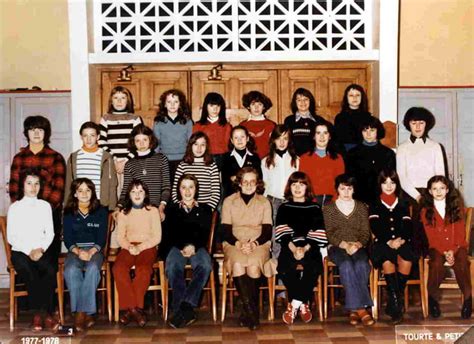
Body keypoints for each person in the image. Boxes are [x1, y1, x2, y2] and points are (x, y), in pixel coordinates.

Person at [221, 167, 273, 330]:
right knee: (237, 264)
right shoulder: (229, 201)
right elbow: (225, 231)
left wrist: (254, 244)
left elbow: (267, 231)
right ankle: (253, 313)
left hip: (258, 242)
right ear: (239, 183)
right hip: (233, 242)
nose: (249, 185)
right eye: (245, 181)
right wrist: (238, 244)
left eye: (253, 182)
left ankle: (247, 311)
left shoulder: (264, 202)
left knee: (253, 265)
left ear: (257, 184)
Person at [7, 168, 58, 332]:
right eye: (29, 183)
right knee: (29, 269)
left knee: (49, 268)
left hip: (41, 249)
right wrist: (30, 250)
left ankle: (42, 314)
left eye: (36, 184)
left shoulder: (45, 206)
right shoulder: (15, 208)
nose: (33, 187)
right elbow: (12, 237)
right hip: (21, 251)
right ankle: (42, 313)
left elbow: (50, 232)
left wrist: (41, 249)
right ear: (22, 185)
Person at [9, 115, 66, 261]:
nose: (36, 133)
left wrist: (43, 210)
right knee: (24, 260)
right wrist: (24, 208)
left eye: (40, 130)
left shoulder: (56, 157)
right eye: (32, 130)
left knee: (47, 262)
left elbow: (58, 190)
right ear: (26, 133)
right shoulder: (19, 158)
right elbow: (14, 188)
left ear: (46, 133)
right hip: (24, 215)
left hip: (49, 215)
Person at [275, 172, 327, 324]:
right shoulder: (284, 207)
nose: (297, 188)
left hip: (310, 246)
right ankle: (303, 302)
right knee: (284, 267)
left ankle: (294, 305)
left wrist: (304, 249)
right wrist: (293, 249)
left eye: (301, 184)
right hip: (289, 246)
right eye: (294, 184)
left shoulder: (315, 207)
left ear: (307, 187)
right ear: (289, 187)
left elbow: (318, 231)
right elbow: (281, 231)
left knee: (313, 266)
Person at [322, 174, 375, 326]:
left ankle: (353, 309)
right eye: (342, 188)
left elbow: (366, 233)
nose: (346, 192)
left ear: (354, 190)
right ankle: (362, 309)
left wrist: (358, 244)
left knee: (362, 265)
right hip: (337, 247)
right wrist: (345, 245)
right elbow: (328, 233)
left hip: (357, 246)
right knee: (345, 265)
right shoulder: (329, 208)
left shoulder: (361, 207)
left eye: (349, 189)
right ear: (337, 190)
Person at [420, 175, 472, 319]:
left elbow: (460, 233)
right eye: (435, 189)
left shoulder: (457, 207)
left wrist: (453, 250)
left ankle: (468, 298)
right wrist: (444, 251)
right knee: (436, 264)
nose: (438, 192)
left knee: (462, 262)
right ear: (430, 191)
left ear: (447, 190)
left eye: (442, 188)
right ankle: (432, 298)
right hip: (437, 247)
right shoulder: (426, 211)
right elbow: (431, 236)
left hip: (457, 246)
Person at [166, 174, 213, 328]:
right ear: (179, 190)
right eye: (184, 187)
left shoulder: (205, 209)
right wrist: (182, 247)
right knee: (173, 266)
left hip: (198, 247)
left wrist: (194, 246)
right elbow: (170, 233)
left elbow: (205, 232)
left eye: (191, 187)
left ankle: (183, 307)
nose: (187, 191)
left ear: (196, 189)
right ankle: (186, 310)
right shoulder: (171, 209)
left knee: (205, 265)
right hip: (177, 247)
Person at [113, 180, 162, 327]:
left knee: (144, 269)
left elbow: (157, 237)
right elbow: (120, 237)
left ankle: (129, 310)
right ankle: (135, 309)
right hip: (128, 247)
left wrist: (141, 247)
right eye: (134, 191)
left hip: (147, 247)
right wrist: (129, 247)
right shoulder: (123, 213)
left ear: (145, 193)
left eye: (140, 191)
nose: (137, 194)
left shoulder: (152, 211)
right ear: (129, 194)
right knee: (118, 268)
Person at [369, 170, 414, 324]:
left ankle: (394, 300)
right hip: (382, 242)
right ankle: (397, 308)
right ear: (380, 185)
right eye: (385, 182)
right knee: (387, 259)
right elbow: (375, 226)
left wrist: (401, 240)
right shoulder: (375, 204)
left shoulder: (403, 203)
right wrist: (388, 241)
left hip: (401, 241)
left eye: (392, 183)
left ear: (397, 185)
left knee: (407, 259)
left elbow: (407, 225)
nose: (389, 186)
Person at [63, 178, 108, 331]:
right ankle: (87, 314)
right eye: (80, 191)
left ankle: (80, 313)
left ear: (92, 192)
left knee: (93, 268)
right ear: (75, 193)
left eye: (87, 190)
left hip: (95, 250)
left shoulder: (101, 210)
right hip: (75, 250)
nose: (84, 194)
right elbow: (68, 239)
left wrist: (91, 251)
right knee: (70, 270)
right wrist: (78, 251)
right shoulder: (68, 212)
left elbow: (102, 237)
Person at [118, 124, 170, 222]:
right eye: (138, 140)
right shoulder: (129, 164)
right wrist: (118, 207)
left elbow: (166, 187)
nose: (141, 143)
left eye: (144, 140)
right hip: (136, 210)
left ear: (150, 140)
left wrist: (161, 208)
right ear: (133, 142)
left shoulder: (161, 159)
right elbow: (126, 190)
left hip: (157, 210)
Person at [261, 124, 299, 258]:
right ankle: (276, 275)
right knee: (275, 239)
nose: (282, 142)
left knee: (290, 237)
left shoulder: (296, 161)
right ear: (273, 140)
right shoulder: (266, 161)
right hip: (273, 202)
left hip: (291, 202)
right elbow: (264, 186)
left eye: (285, 138)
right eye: (279, 138)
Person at [98, 86, 143, 193]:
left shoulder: (135, 119)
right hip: (112, 163)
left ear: (128, 101)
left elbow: (139, 143)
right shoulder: (105, 119)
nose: (119, 101)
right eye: (116, 98)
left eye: (123, 98)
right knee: (115, 193)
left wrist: (126, 160)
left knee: (131, 192)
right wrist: (115, 160)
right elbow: (101, 142)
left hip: (131, 162)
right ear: (111, 101)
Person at [396, 107, 445, 205]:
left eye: (421, 123)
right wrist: (417, 196)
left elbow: (440, 175)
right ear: (408, 125)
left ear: (426, 124)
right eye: (414, 123)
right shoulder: (402, 148)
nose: (417, 127)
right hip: (408, 195)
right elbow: (401, 176)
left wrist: (434, 193)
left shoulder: (435, 146)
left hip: (432, 194)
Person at [65, 121, 118, 211]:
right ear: (81, 137)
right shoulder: (73, 157)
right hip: (79, 204)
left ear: (98, 137)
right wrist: (66, 208)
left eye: (92, 135)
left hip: (100, 203)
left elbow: (113, 184)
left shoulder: (107, 157)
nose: (89, 139)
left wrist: (112, 208)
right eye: (85, 136)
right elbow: (68, 185)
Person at [346, 117, 396, 205]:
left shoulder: (388, 153)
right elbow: (349, 179)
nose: (368, 134)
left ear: (378, 131)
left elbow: (391, 179)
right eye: (365, 130)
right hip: (358, 199)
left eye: (372, 130)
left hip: (381, 199)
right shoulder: (352, 153)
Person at [299, 120, 345, 206]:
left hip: (333, 202)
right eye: (318, 133)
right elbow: (303, 183)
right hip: (311, 201)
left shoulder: (338, 158)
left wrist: (334, 202)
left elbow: (341, 184)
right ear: (313, 136)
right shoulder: (304, 158)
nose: (322, 137)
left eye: (325, 133)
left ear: (330, 136)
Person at [171, 132, 221, 210]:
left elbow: (216, 193)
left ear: (206, 147)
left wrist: (207, 210)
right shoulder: (183, 165)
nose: (199, 148)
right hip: (185, 209)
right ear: (191, 146)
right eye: (196, 144)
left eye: (202, 145)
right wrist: (183, 208)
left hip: (205, 209)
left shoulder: (211, 165)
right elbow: (175, 192)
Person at [153, 89, 193, 179]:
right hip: (164, 161)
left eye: (175, 102)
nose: (172, 105)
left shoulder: (187, 122)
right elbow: (156, 143)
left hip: (183, 160)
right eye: (169, 102)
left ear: (180, 104)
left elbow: (191, 142)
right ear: (164, 104)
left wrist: (190, 159)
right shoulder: (158, 122)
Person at [193, 92, 231, 171]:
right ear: (206, 107)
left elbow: (228, 148)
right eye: (211, 106)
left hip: (223, 160)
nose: (215, 109)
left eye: (218, 106)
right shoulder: (198, 126)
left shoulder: (227, 126)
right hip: (204, 160)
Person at [221, 125, 262, 197]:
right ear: (232, 140)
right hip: (231, 198)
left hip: (251, 196)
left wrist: (237, 178)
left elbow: (259, 178)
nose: (239, 140)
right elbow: (225, 181)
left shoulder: (254, 157)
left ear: (247, 138)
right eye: (236, 137)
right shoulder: (225, 158)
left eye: (242, 137)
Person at [283, 88, 325, 156]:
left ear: (310, 101)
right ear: (295, 102)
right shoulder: (289, 120)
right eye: (299, 100)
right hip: (294, 159)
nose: (303, 102)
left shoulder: (319, 120)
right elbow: (287, 142)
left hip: (314, 158)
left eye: (306, 99)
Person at [334, 84, 372, 152]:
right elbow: (337, 141)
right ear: (346, 98)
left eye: (357, 95)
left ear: (362, 97)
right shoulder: (340, 117)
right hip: (345, 152)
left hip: (363, 152)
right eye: (351, 95)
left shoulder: (368, 117)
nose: (355, 98)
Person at [240, 90, 276, 159]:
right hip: (248, 162)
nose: (256, 108)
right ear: (248, 106)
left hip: (267, 161)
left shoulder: (271, 125)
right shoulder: (242, 125)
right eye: (253, 104)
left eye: (259, 104)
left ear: (264, 107)